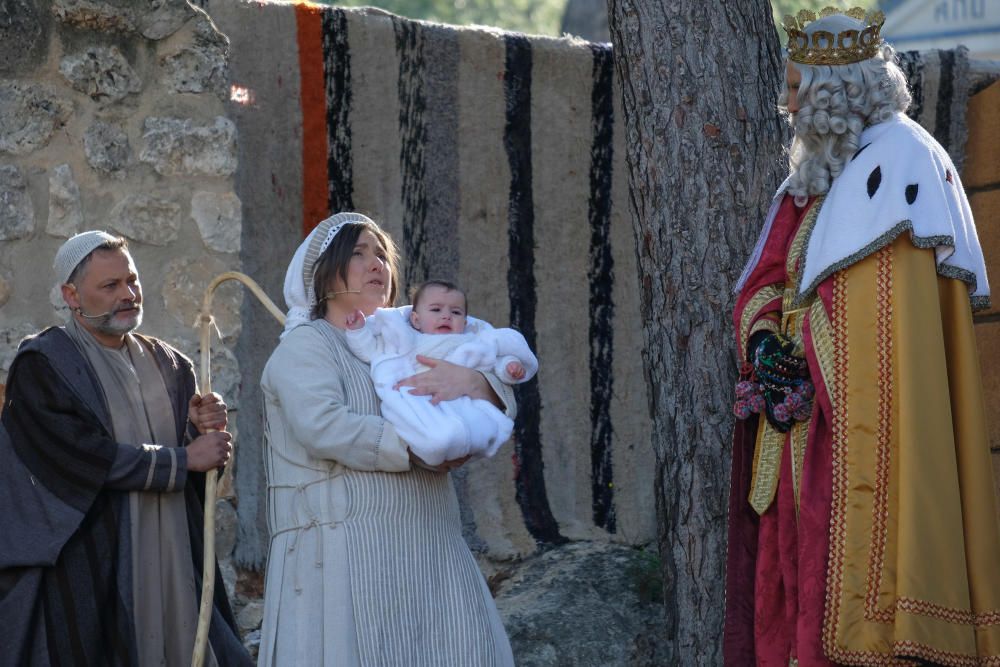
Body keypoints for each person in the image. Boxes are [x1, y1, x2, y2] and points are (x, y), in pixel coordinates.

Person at [725, 8, 1000, 666]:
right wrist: (764, 344)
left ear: (833, 94)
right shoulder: (818, 177)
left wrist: (803, 350)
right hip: (797, 429)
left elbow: (882, 325)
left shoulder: (902, 164)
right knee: (789, 585)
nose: (786, 104)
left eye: (796, 89)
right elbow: (768, 277)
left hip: (860, 440)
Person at [257, 212, 516, 666]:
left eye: (381, 254)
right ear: (323, 272)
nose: (376, 263)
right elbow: (323, 424)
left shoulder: (409, 342)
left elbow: (497, 381)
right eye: (358, 253)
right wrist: (414, 448)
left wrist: (478, 384)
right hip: (346, 553)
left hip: (430, 544)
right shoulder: (306, 345)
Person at [0, 231, 251, 666]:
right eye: (110, 286)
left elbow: (196, 468)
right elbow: (77, 458)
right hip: (93, 561)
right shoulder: (42, 365)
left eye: (131, 281)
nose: (129, 294)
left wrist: (198, 433)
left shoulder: (173, 366)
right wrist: (181, 458)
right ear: (71, 295)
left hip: (171, 556)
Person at [344, 279, 538, 465]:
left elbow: (492, 360)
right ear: (416, 320)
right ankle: (436, 445)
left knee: (477, 429)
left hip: (461, 403)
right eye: (436, 310)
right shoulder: (406, 339)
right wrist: (358, 331)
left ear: (465, 321)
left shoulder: (470, 341)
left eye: (455, 312)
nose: (446, 316)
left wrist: (510, 368)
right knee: (438, 438)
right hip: (422, 401)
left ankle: (462, 442)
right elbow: (371, 351)